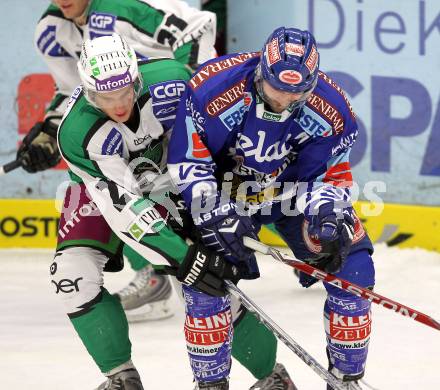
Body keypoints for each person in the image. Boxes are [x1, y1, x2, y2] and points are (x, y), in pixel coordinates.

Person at [55, 33, 294, 390]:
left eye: (125, 91)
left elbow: (210, 140)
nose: (118, 105)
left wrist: (217, 201)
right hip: (99, 193)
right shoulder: (76, 132)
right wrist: (185, 257)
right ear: (89, 93)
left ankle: (272, 376)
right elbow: (124, 210)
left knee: (210, 290)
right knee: (70, 275)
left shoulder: (173, 80)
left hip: (180, 182)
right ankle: (121, 377)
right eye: (105, 97)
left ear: (136, 77)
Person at [167, 27, 375, 389]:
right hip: (226, 196)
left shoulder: (334, 110)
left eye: (297, 91)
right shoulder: (212, 89)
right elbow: (188, 162)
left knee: (353, 266)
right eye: (277, 87)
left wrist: (327, 213)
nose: (284, 99)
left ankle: (346, 380)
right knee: (204, 281)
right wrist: (210, 208)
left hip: (291, 196)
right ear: (260, 71)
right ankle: (211, 385)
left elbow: (329, 176)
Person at [20, 0, 218, 322]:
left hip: (165, 115)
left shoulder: (124, 7)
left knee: (201, 188)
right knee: (116, 194)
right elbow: (73, 90)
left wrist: (188, 93)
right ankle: (156, 271)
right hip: (120, 125)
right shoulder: (50, 30)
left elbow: (198, 29)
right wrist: (50, 130)